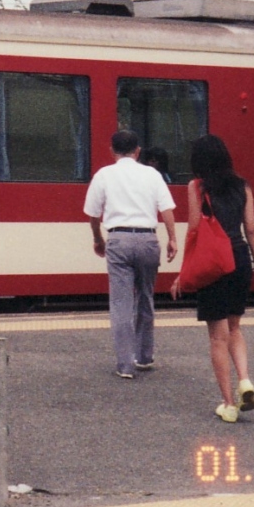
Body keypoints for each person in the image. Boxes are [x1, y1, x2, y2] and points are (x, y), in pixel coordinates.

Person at [170, 134, 254, 423]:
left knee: (217, 337)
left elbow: (193, 230)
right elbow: (251, 229)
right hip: (239, 258)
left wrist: (183, 273)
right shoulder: (243, 185)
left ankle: (228, 404)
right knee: (235, 328)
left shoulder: (197, 187)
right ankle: (245, 381)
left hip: (214, 263)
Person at [84, 130, 179, 379]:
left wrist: (98, 240)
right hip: (148, 239)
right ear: (138, 151)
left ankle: (125, 364)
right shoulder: (152, 174)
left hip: (119, 240)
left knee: (121, 303)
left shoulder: (104, 175)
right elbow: (166, 209)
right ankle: (145, 356)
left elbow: (94, 215)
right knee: (146, 297)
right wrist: (172, 238)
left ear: (112, 151)